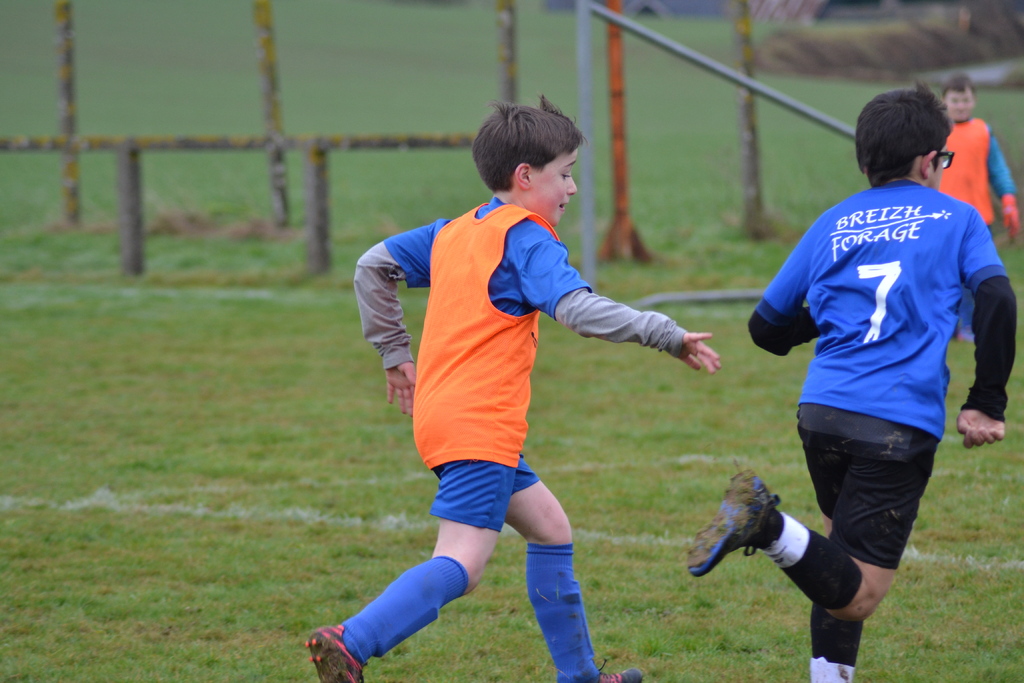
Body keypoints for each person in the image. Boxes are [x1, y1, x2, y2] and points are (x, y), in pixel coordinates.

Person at [306, 95, 722, 683]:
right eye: (565, 174)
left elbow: (371, 265)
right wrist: (666, 333)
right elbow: (577, 310)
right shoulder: (527, 238)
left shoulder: (456, 230)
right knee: (463, 562)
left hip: (445, 416)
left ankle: (580, 676)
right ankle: (353, 641)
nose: (571, 189)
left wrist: (394, 354)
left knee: (550, 528)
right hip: (479, 423)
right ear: (525, 176)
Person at [685, 83, 1015, 683]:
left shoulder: (833, 221)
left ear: (865, 164)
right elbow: (996, 296)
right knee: (859, 594)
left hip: (822, 413)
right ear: (928, 161)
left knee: (835, 561)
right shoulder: (958, 218)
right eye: (944, 159)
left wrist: (831, 315)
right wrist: (986, 402)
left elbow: (765, 327)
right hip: (896, 422)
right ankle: (765, 522)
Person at [938, 72, 1019, 341]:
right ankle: (948, 325)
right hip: (942, 218)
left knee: (973, 277)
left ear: (974, 101)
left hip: (977, 218)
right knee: (944, 276)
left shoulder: (983, 132)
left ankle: (970, 325)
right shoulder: (936, 134)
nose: (960, 105)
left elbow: (998, 170)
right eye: (955, 100)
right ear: (943, 100)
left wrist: (1008, 200)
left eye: (965, 100)